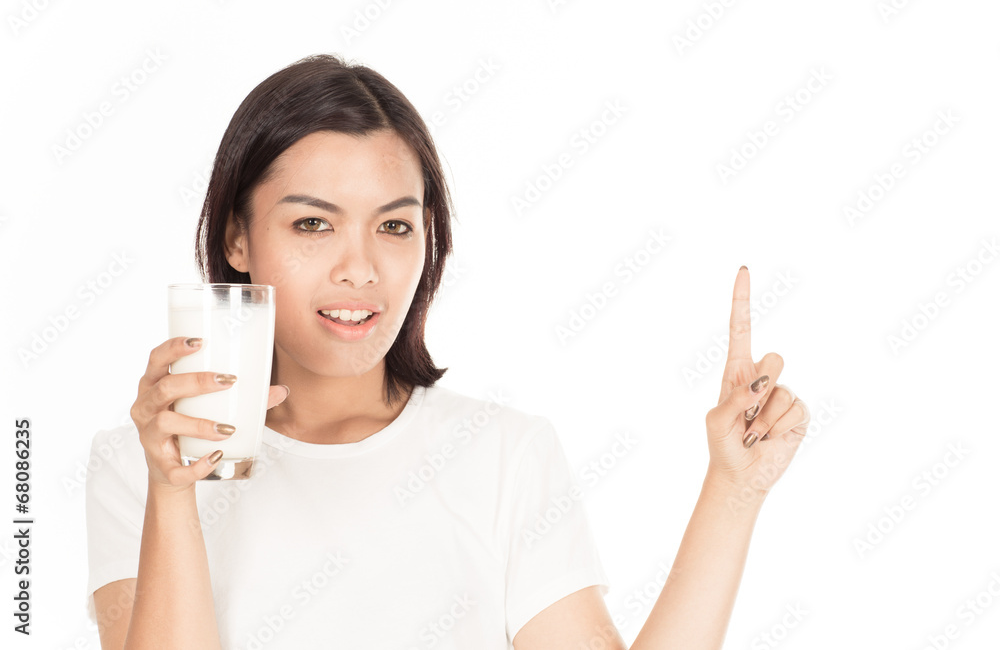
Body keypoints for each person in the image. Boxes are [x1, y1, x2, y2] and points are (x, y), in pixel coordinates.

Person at [85, 53, 811, 649]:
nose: (360, 269)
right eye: (313, 224)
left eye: (394, 227)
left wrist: (734, 490)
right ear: (237, 238)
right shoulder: (136, 467)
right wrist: (173, 491)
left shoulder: (503, 454)